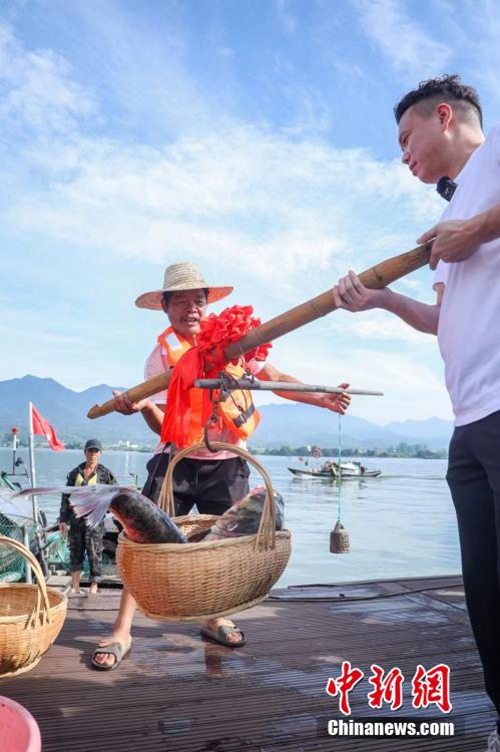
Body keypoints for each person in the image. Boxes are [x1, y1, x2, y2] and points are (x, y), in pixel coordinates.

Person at [332, 74, 500, 752]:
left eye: (406, 138)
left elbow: (480, 233)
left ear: (444, 116)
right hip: (470, 420)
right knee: (485, 588)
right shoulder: (456, 205)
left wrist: (480, 228)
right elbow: (442, 318)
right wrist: (379, 301)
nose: (402, 153)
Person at [92, 261, 351, 669]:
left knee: (226, 542)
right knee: (141, 543)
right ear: (165, 307)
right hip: (175, 459)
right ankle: (122, 629)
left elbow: (276, 376)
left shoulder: (235, 343)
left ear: (207, 305)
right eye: (182, 302)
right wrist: (139, 407)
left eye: (198, 301)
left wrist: (320, 397)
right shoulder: (160, 358)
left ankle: (213, 617)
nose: (192, 309)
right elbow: (161, 421)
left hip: (228, 459)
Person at [59, 439, 117, 595]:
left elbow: (115, 494)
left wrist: (106, 507)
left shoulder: (105, 474)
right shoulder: (74, 473)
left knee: (94, 552)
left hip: (94, 520)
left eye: (96, 451)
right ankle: (75, 586)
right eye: (90, 451)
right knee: (75, 551)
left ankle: (94, 585)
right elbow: (65, 497)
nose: (93, 454)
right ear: (85, 452)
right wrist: (63, 520)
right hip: (76, 520)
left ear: (100, 454)